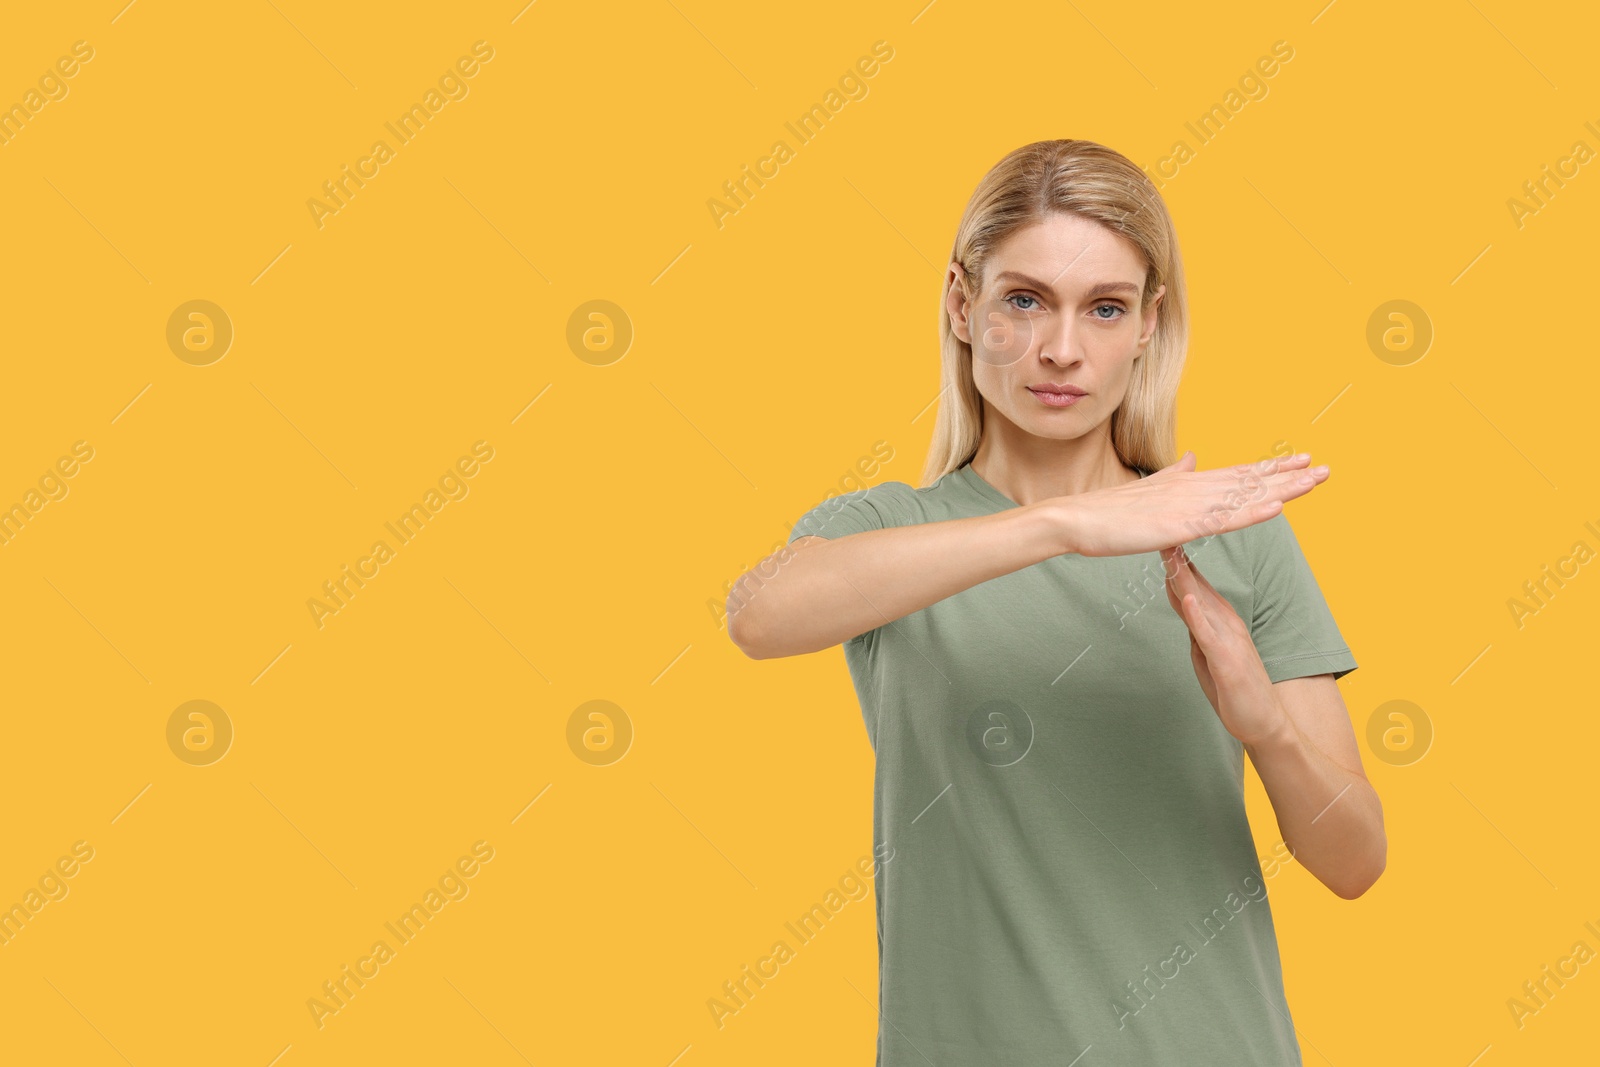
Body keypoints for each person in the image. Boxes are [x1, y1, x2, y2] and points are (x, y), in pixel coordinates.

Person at [726, 139, 1385, 1065]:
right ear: (964, 303)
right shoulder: (887, 529)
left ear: (1150, 323)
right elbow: (760, 616)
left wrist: (1264, 724)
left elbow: (1354, 861)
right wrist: (1063, 525)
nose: (1062, 349)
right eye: (1024, 300)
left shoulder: (1232, 533)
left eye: (1105, 308)